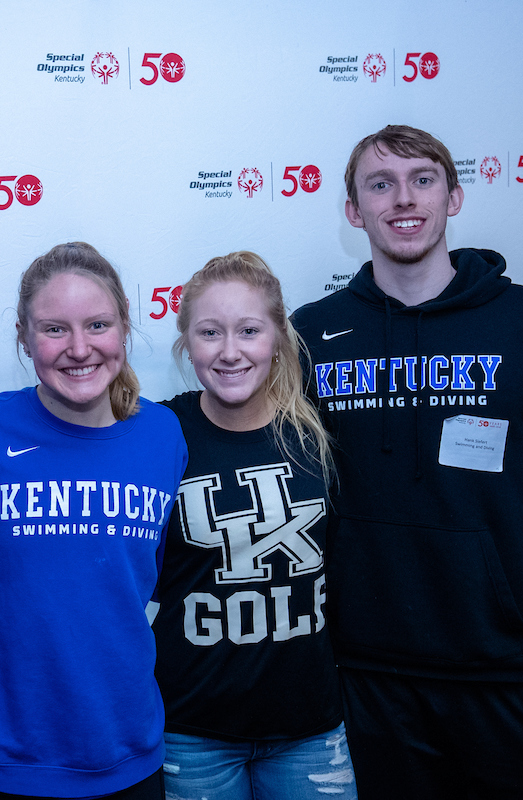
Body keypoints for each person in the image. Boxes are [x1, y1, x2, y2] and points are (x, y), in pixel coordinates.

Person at [290, 124, 523, 798]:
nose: (403, 199)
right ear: (352, 210)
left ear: (453, 197)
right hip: (369, 682)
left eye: (422, 179)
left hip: (516, 677)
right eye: (380, 184)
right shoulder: (313, 335)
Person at [0, 242, 188, 800]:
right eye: (54, 329)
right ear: (24, 338)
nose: (79, 348)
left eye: (98, 324)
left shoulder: (162, 436)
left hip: (130, 756)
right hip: (6, 766)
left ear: (126, 324)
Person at [154, 251, 356, 800]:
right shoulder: (159, 436)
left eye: (248, 330)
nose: (229, 351)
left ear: (278, 338)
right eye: (209, 332)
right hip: (190, 735)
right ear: (186, 343)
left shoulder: (318, 435)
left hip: (309, 730)